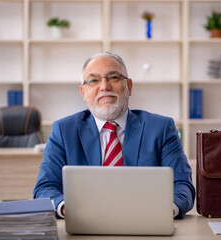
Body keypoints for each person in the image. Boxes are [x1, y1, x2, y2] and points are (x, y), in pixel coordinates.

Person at [33, 51, 195, 219]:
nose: (104, 86)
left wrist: (164, 210)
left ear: (129, 86)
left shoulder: (161, 128)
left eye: (114, 77)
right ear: (83, 92)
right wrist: (70, 210)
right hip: (85, 223)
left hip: (146, 223)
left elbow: (182, 185)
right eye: (94, 80)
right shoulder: (63, 130)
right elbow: (45, 187)